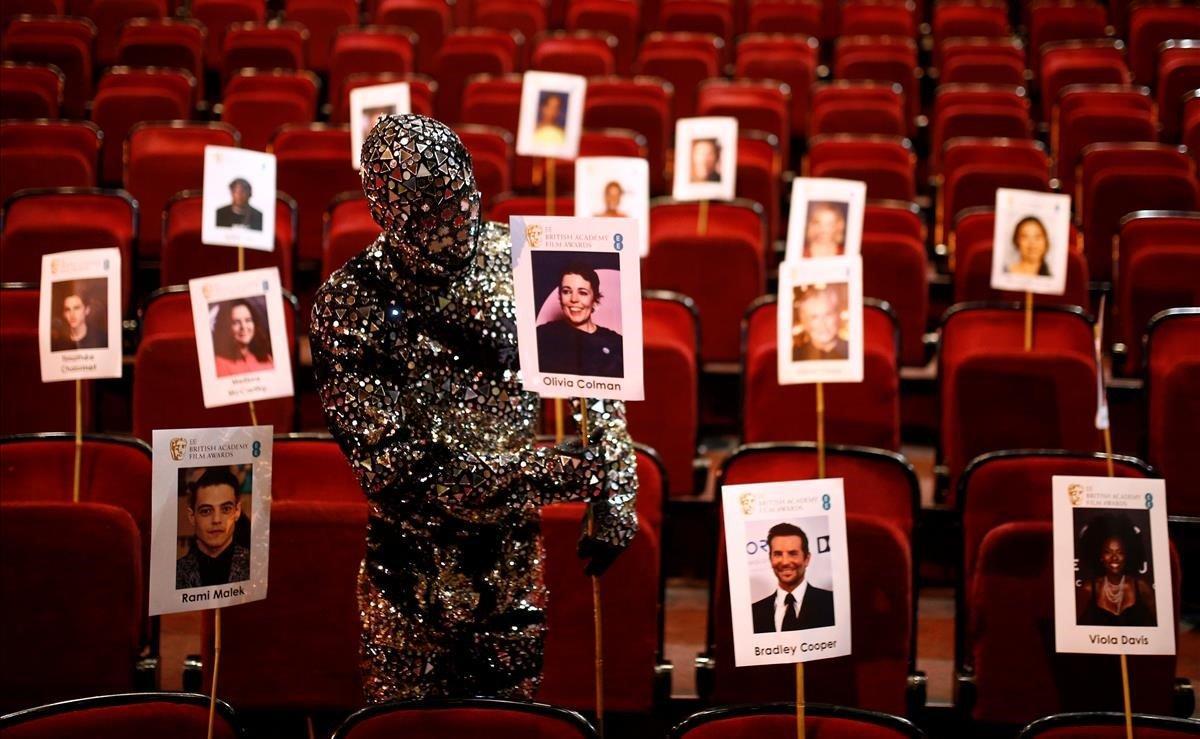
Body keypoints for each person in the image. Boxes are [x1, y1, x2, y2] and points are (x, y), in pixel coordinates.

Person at [310, 114, 637, 702]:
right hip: (406, 568)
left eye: (463, 202)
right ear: (386, 214)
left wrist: (617, 484)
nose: (455, 226)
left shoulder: (524, 257)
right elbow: (400, 471)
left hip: (512, 558)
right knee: (405, 723)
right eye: (431, 214)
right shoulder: (349, 302)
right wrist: (559, 473)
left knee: (510, 720)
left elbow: (596, 372)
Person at [536, 262, 624, 378]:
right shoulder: (542, 336)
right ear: (560, 296)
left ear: (594, 298)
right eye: (566, 291)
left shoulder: (615, 342)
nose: (574, 299)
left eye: (583, 293)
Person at [1075, 513, 1157, 627]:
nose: (1114, 557)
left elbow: (1161, 625)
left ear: (1127, 555)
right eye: (1108, 552)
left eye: (1120, 552)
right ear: (1100, 557)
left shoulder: (1141, 588)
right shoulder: (1089, 590)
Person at [752, 522, 835, 632]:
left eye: (793, 553)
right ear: (770, 559)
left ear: (807, 559)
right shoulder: (754, 612)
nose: (785, 562)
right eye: (778, 554)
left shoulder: (831, 603)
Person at [176, 467, 251, 589]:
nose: (216, 520)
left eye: (226, 509)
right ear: (192, 516)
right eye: (206, 511)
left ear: (237, 511)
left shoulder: (254, 565)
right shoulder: (176, 573)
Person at [212, 299, 274, 377]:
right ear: (225, 327)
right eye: (236, 322)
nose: (244, 327)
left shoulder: (266, 358)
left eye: (248, 320)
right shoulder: (219, 364)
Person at [792, 285, 848, 361]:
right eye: (814, 317)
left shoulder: (853, 351)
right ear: (804, 322)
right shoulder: (795, 356)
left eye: (828, 314)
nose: (822, 324)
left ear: (837, 316)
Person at [50, 283, 106, 351]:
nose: (72, 314)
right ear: (64, 314)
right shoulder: (58, 344)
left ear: (87, 310)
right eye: (68, 309)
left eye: (76, 308)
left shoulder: (101, 339)